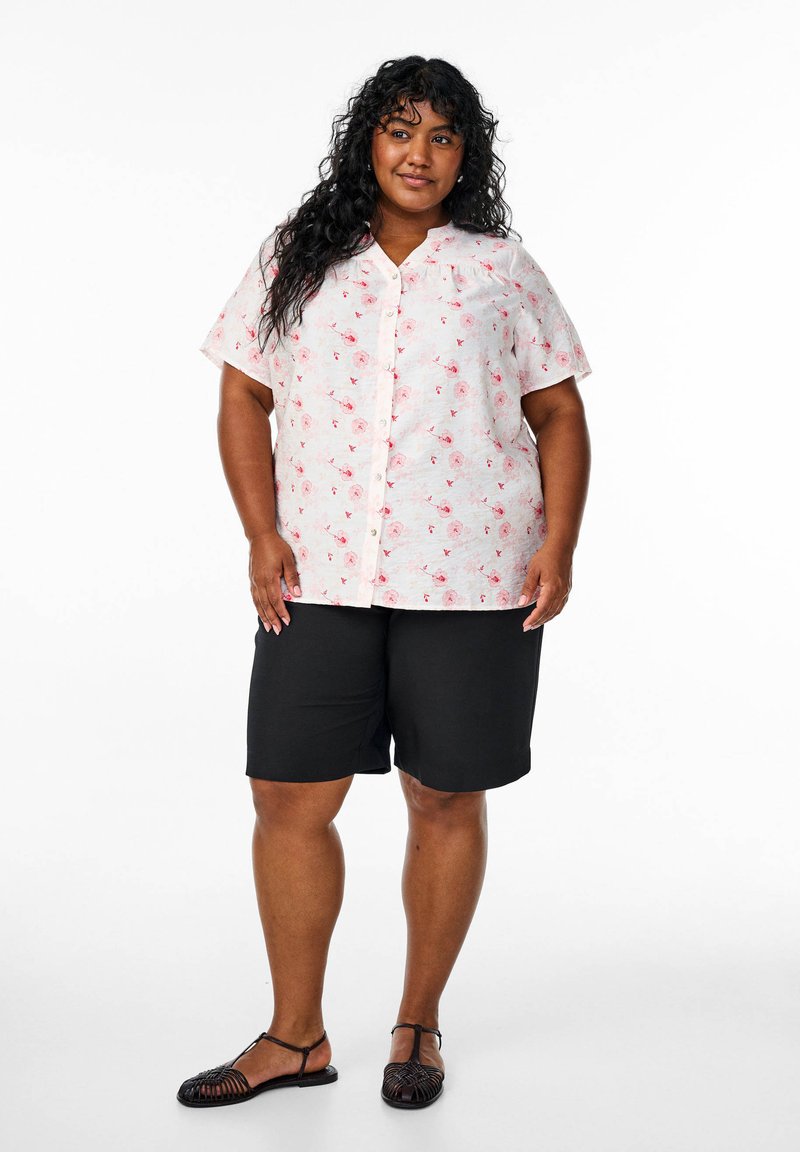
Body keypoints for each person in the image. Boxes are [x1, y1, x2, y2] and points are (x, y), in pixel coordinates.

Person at [178, 55, 592, 1112]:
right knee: (287, 794)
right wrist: (259, 533)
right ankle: (295, 1037)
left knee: (444, 795)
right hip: (318, 571)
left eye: (442, 137)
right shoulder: (297, 256)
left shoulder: (501, 269)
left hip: (474, 576)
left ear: (466, 158)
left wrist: (559, 544)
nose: (419, 153)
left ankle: (417, 1023)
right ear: (366, 139)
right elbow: (243, 393)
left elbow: (557, 412)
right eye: (400, 129)